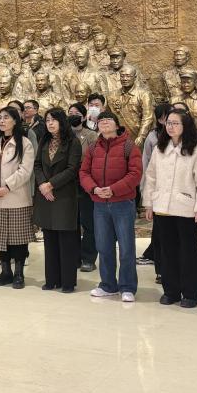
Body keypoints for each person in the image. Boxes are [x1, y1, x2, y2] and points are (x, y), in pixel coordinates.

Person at [142, 110, 197, 308]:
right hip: (163, 207)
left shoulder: (196, 149)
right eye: (168, 123)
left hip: (187, 208)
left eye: (175, 123)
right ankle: (171, 291)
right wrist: (149, 203)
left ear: (185, 126)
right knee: (167, 251)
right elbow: (151, 177)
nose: (170, 127)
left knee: (189, 252)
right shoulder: (160, 148)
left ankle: (191, 293)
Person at [78, 110, 143, 301]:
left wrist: (113, 190)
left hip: (122, 203)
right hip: (99, 204)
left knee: (126, 248)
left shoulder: (129, 146)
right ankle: (107, 285)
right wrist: (94, 189)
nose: (104, 123)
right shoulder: (93, 148)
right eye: (101, 120)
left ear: (117, 124)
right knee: (103, 246)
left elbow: (135, 174)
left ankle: (127, 287)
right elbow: (83, 173)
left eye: (108, 120)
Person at [0, 106, 36, 290]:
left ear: (15, 120)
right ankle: (5, 272)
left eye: (6, 117)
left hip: (17, 198)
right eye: (0, 117)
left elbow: (25, 170)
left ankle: (19, 273)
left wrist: (7, 186)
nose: (2, 120)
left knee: (18, 238)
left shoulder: (25, 143)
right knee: (1, 238)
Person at [34, 108, 83, 293]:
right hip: (45, 195)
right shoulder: (44, 140)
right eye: (47, 120)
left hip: (64, 195)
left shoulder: (73, 142)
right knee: (50, 239)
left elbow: (72, 169)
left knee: (66, 241)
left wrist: (51, 184)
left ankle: (68, 282)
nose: (50, 123)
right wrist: (42, 185)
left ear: (62, 122)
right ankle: (52, 279)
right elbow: (37, 165)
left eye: (54, 120)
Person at [138, 103, 174, 273]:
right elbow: (146, 162)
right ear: (159, 119)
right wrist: (144, 188)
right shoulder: (153, 137)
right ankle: (160, 268)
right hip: (158, 189)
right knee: (160, 230)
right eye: (165, 118)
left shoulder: (183, 136)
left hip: (177, 191)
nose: (169, 122)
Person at [72, 94, 104, 273]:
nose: (73, 116)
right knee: (71, 223)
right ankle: (73, 256)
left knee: (88, 222)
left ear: (84, 117)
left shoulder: (91, 135)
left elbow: (94, 159)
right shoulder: (64, 135)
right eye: (70, 113)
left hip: (85, 183)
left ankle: (88, 257)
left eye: (76, 114)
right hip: (67, 184)